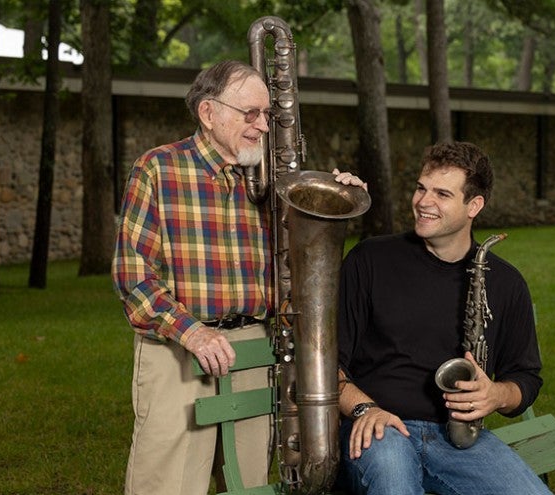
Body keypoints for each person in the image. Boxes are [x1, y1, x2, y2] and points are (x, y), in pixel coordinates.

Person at [112, 60, 365, 495]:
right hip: (180, 350)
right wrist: (193, 334)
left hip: (255, 347)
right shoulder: (157, 168)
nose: (263, 126)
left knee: (248, 486)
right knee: (169, 485)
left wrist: (342, 190)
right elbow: (133, 276)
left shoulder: (276, 182)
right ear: (209, 113)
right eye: (251, 113)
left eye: (267, 115)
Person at [336, 141, 553, 494]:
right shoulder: (369, 260)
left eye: (442, 194)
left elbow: (525, 379)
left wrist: (495, 395)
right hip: (380, 428)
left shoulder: (507, 283)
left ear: (474, 205)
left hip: (459, 441)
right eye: (421, 188)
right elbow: (326, 364)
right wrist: (364, 410)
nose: (423, 202)